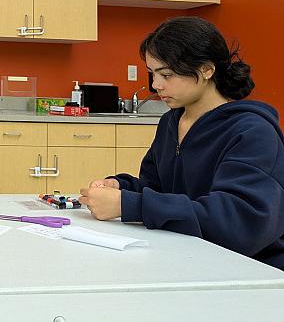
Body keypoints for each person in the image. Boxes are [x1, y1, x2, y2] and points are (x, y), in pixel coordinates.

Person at [79, 16, 284, 270]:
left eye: (167, 74)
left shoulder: (253, 132)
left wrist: (130, 204)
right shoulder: (170, 123)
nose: (156, 85)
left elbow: (239, 222)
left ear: (207, 70)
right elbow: (159, 189)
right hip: (187, 259)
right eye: (153, 73)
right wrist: (122, 187)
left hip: (251, 272)